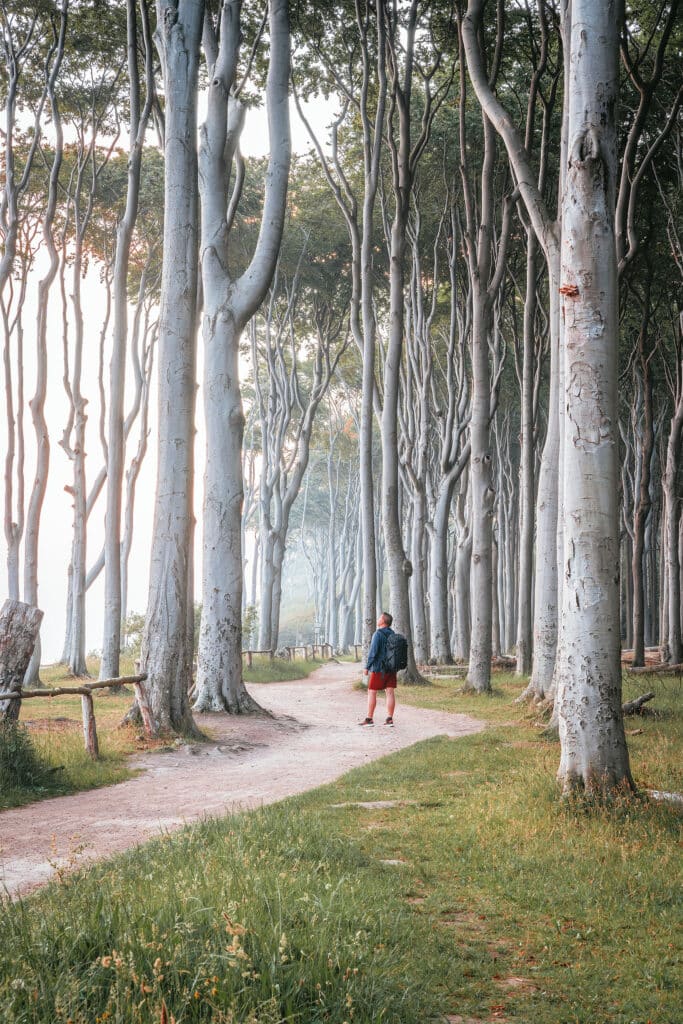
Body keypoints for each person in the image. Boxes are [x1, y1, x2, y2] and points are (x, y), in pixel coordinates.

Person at [360, 612, 397, 726]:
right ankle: (389, 719)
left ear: (383, 621)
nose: (378, 619)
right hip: (391, 668)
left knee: (372, 692)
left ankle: (369, 719)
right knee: (390, 692)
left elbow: (373, 653)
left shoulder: (378, 634)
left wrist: (367, 667)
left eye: (379, 617)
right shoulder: (393, 633)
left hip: (378, 668)